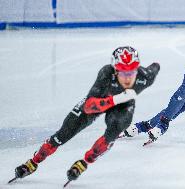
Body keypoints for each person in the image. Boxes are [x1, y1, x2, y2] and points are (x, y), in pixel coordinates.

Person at [13, 46, 160, 182]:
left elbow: (155, 67)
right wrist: (117, 98)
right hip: (98, 101)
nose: (128, 78)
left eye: (132, 72)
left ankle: (84, 162)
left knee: (114, 132)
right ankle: (33, 162)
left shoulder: (145, 77)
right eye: (123, 73)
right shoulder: (106, 74)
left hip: (123, 106)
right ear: (115, 70)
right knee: (63, 134)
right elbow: (89, 107)